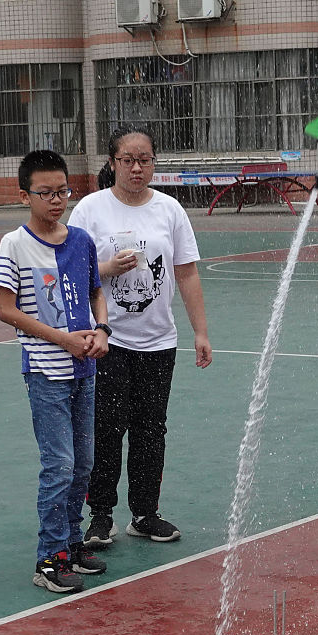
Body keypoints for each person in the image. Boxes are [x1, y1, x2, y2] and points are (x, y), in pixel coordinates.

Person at [70, 125, 212, 548]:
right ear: (112, 163)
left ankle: (145, 512)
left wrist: (200, 331)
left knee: (151, 429)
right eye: (127, 160)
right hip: (106, 341)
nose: (136, 167)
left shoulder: (169, 210)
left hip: (158, 341)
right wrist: (107, 269)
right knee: (107, 427)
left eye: (145, 160)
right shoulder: (91, 210)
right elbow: (73, 274)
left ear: (154, 163)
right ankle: (100, 516)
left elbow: (186, 271)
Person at [0, 150, 110, 592]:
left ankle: (73, 543)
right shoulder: (14, 244)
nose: (56, 200)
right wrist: (62, 339)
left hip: (85, 369)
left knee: (84, 462)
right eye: (46, 193)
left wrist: (101, 330)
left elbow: (97, 291)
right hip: (45, 370)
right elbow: (6, 310)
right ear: (25, 195)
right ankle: (49, 557)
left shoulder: (81, 240)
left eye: (63, 191)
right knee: (58, 464)